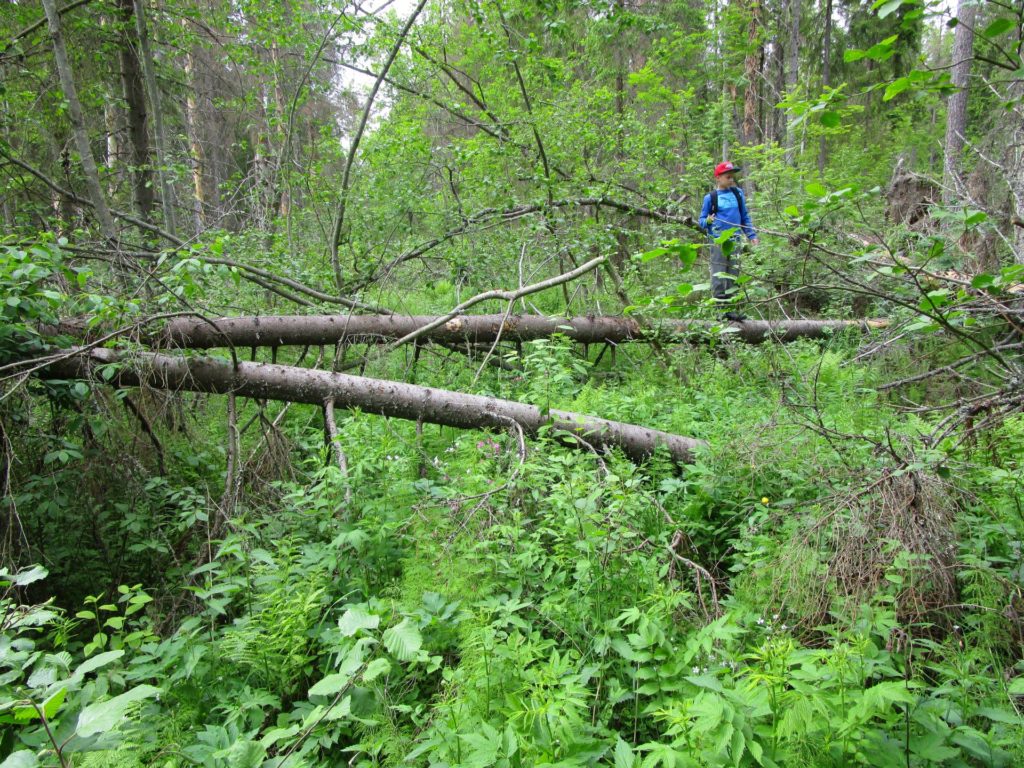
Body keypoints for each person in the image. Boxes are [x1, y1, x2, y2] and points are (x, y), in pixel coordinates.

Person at [699, 161, 759, 321]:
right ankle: (720, 312)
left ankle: (732, 311)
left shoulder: (737, 194)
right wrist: (709, 221)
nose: (731, 179)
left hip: (736, 241)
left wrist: (751, 235)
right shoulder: (710, 198)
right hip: (718, 242)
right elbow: (702, 221)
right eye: (728, 176)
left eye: (732, 176)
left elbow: (744, 216)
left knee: (734, 275)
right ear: (718, 178)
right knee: (718, 276)